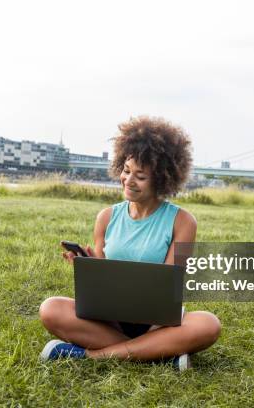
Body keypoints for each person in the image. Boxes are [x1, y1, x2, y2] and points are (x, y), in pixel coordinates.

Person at [39, 116, 221, 370]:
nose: (128, 180)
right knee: (51, 309)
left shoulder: (182, 221)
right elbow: (101, 286)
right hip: (109, 320)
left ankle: (90, 355)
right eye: (126, 171)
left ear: (161, 178)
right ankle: (159, 353)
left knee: (208, 324)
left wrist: (158, 326)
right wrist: (90, 266)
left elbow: (169, 287)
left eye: (140, 176)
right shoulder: (106, 217)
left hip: (157, 322)